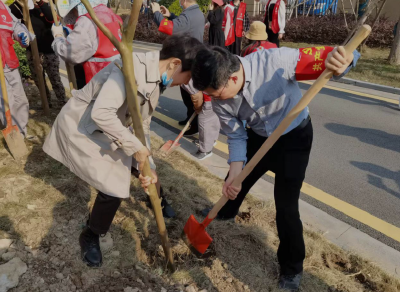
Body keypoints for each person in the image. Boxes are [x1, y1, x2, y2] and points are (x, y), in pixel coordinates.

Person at [191, 46, 360, 290]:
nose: (214, 99)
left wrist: (345, 61)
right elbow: (236, 136)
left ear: (234, 77)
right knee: (235, 180)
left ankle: (292, 269)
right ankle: (226, 211)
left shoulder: (276, 61)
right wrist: (236, 171)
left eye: (216, 94)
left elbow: (340, 55)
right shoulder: (219, 97)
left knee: (286, 207)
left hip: (294, 138)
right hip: (259, 137)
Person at [43, 35, 205, 267]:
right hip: (84, 128)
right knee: (114, 188)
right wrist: (134, 148)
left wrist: (145, 158)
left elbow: (143, 123)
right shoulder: (130, 70)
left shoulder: (156, 79)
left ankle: (157, 199)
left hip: (110, 129)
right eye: (187, 77)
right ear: (175, 63)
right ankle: (91, 234)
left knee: (146, 169)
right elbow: (102, 114)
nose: (184, 83)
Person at [151, 0, 204, 135]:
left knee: (189, 93)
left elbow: (169, 28)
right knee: (187, 93)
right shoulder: (195, 13)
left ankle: (194, 124)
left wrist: (156, 12)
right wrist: (170, 15)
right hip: (191, 56)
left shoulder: (189, 15)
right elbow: (182, 25)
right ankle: (190, 119)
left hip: (188, 59)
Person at [51, 0, 122, 90]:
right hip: (117, 78)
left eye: (74, 9)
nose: (74, 12)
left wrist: (58, 37)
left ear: (79, 6)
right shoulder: (111, 15)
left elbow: (70, 52)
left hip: (97, 81)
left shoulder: (87, 22)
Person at [10, 0, 67, 108]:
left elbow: (51, 18)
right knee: (38, 80)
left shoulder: (46, 6)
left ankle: (63, 102)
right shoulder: (24, 9)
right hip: (32, 51)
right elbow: (10, 11)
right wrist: (19, 2)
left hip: (49, 51)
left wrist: (40, 2)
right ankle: (46, 102)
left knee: (55, 79)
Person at [0, 0, 33, 139]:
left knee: (20, 98)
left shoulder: (3, 7)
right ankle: (10, 129)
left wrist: (21, 34)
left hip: (10, 62)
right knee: (6, 101)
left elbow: (15, 25)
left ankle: (21, 130)